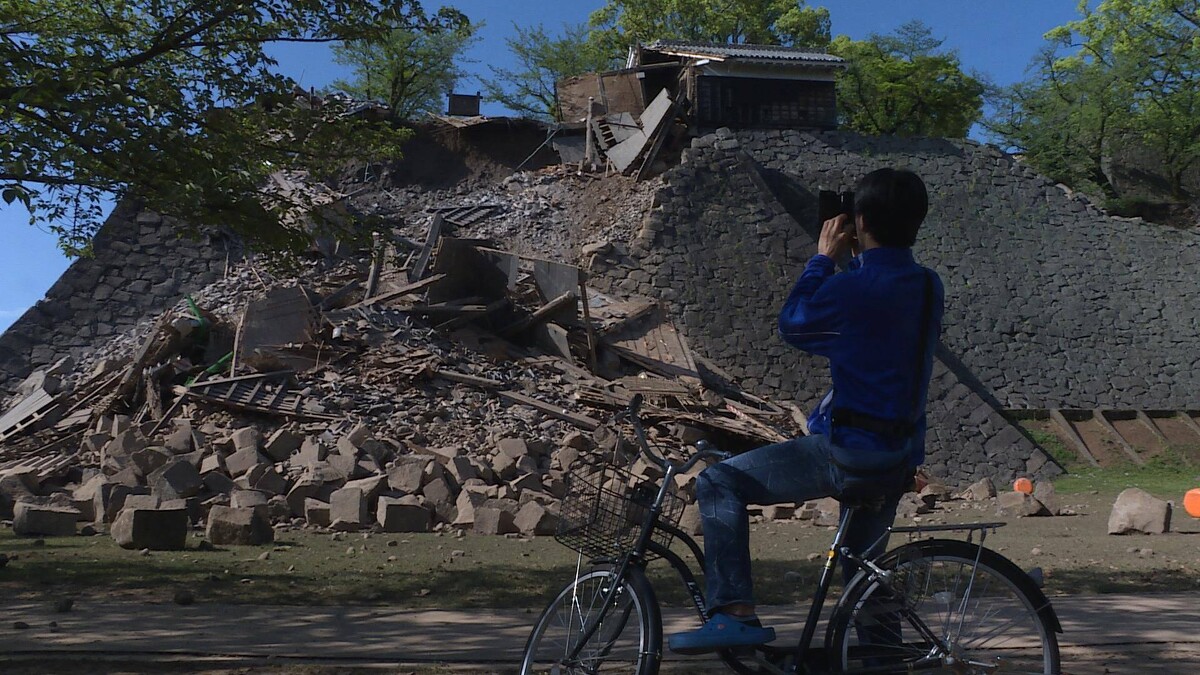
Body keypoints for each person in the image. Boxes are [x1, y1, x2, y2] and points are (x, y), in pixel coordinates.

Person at [668, 168, 945, 654]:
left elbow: (795, 326)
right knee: (862, 572)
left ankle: (734, 613)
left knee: (718, 482)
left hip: (851, 453)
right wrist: (861, 253)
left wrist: (823, 260)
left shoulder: (848, 289)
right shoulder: (927, 285)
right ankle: (887, 660)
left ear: (859, 221)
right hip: (898, 456)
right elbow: (877, 304)